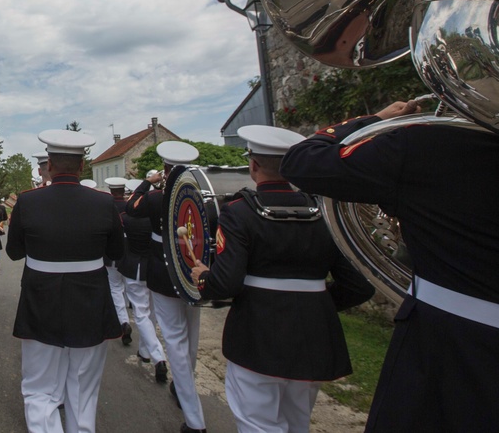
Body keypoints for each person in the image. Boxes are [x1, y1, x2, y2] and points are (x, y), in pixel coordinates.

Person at [280, 100, 499, 431]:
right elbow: (356, 286)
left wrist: (378, 119)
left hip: (448, 347)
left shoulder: (430, 145)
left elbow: (301, 161)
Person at [191, 125, 374, 433]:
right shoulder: (325, 211)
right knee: (298, 423)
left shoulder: (239, 212)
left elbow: (226, 284)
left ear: (253, 165)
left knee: (257, 424)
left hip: (257, 331)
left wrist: (204, 276)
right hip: (315, 333)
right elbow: (360, 285)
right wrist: (317, 303)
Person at [6, 129, 125, 433]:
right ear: (82, 166)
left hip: (40, 301)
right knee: (83, 391)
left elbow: (15, 252)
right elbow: (116, 253)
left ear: (50, 164)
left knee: (40, 388)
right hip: (90, 302)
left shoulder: (28, 201)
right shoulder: (103, 203)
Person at [126, 141, 208, 433]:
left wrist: (147, 184)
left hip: (165, 272)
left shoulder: (156, 197)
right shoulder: (202, 196)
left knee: (175, 340)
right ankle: (181, 388)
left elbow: (131, 207)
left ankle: (195, 419)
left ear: (164, 170)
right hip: (196, 270)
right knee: (192, 338)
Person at [113, 177, 168, 382]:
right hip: (153, 268)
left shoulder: (127, 217)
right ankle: (145, 352)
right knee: (151, 313)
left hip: (134, 267)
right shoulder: (155, 219)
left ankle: (157, 357)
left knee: (141, 314)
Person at [103, 177, 133, 348]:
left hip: (111, 255)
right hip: (129, 254)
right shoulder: (131, 207)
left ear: (111, 190)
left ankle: (123, 322)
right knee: (129, 290)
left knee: (115, 289)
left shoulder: (107, 206)